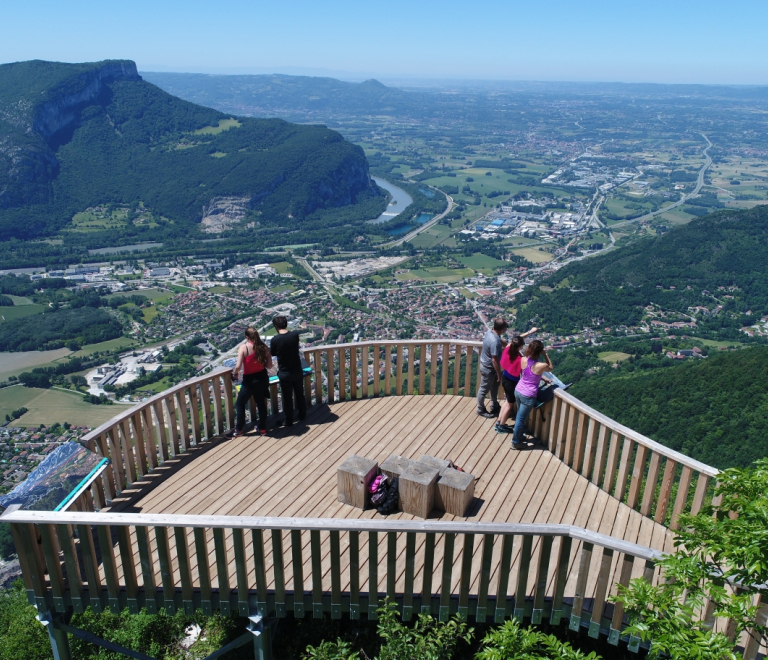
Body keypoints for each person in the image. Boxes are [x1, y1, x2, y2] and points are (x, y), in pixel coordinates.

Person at [229, 327, 272, 437]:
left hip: (249, 380)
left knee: (240, 404)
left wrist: (235, 373)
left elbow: (238, 366)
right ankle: (262, 428)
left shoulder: (244, 348)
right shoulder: (264, 347)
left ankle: (239, 429)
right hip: (262, 378)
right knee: (261, 404)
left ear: (247, 337)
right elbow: (270, 365)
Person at [511, 340, 553, 450]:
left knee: (519, 417)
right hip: (528, 395)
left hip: (519, 390)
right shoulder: (541, 365)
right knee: (520, 419)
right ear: (539, 351)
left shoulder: (523, 359)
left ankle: (519, 436)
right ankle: (515, 442)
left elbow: (528, 374)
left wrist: (542, 377)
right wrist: (546, 355)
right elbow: (550, 367)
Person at [495, 327, 538, 434]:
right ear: (519, 347)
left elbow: (516, 339)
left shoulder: (508, 349)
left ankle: (499, 421)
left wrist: (529, 332)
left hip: (505, 377)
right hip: (511, 382)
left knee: (507, 402)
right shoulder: (520, 360)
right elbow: (529, 369)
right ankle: (501, 426)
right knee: (510, 404)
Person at [270, 315, 307, 427]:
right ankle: (302, 414)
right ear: (286, 324)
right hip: (297, 370)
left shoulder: (275, 340)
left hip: (285, 372)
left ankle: (289, 420)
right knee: (300, 393)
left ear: (276, 326)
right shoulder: (294, 335)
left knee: (287, 398)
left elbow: (273, 353)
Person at [477, 318, 508, 418]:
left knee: (494, 386)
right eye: (505, 328)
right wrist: (499, 374)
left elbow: (499, 339)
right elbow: (494, 360)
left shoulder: (490, 332)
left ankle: (494, 405)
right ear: (502, 329)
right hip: (489, 368)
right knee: (483, 389)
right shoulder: (495, 341)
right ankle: (480, 409)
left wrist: (507, 345)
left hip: (487, 366)